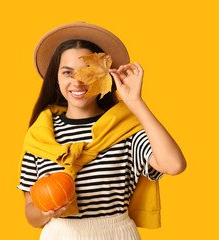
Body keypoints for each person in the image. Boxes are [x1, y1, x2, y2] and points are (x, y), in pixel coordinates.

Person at [17, 22, 186, 240]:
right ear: (56, 79)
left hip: (115, 234)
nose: (77, 81)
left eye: (88, 72)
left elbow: (174, 165)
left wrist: (135, 103)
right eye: (67, 72)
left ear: (104, 76)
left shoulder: (124, 130)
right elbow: (30, 212)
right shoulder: (40, 136)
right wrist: (45, 211)